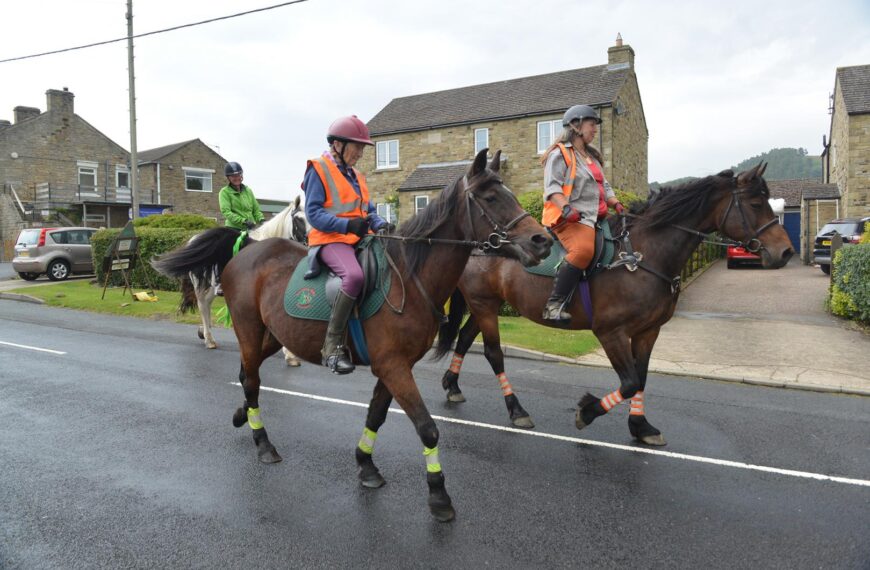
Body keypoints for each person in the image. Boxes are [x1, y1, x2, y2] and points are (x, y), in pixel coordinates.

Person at [303, 115, 394, 374]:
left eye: (363, 148)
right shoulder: (318, 169)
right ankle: (331, 348)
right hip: (330, 240)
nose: (361, 153)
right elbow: (313, 213)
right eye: (358, 147)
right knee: (353, 276)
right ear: (339, 145)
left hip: (357, 238)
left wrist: (379, 224)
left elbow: (367, 210)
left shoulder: (357, 176)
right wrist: (346, 226)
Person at [540, 105, 624, 323]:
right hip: (569, 218)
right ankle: (554, 305)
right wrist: (566, 208)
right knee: (583, 251)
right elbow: (552, 188)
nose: (595, 129)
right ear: (576, 125)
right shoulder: (560, 154)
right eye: (591, 124)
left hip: (595, 218)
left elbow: (603, 185)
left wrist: (614, 201)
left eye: (595, 125)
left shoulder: (592, 157)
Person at [215, 161, 265, 295]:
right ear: (228, 178)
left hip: (251, 229)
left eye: (238, 175)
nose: (236, 178)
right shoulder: (224, 192)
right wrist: (243, 221)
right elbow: (226, 212)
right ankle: (220, 283)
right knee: (227, 252)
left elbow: (256, 209)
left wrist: (261, 219)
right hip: (233, 229)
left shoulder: (248, 190)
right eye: (233, 176)